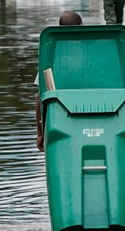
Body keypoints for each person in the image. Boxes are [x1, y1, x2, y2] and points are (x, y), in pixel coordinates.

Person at [36, 10, 82, 151]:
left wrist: (40, 133)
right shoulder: (92, 53)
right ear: (81, 26)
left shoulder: (52, 57)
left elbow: (40, 98)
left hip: (60, 121)